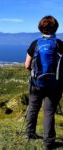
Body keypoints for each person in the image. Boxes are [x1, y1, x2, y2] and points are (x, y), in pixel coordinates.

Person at [25, 15, 63, 150]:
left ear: (40, 28)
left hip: (36, 84)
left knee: (33, 108)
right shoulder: (59, 44)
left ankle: (29, 134)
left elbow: (27, 65)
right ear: (55, 28)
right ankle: (48, 143)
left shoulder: (35, 44)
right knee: (49, 112)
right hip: (54, 85)